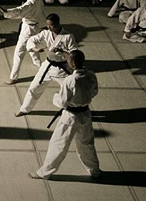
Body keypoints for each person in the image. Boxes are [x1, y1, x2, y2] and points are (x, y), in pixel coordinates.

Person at [28, 49, 102, 180]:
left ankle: (45, 172)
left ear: (73, 63)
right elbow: (94, 92)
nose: (67, 62)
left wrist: (55, 96)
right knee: (87, 144)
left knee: (58, 144)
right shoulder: (91, 75)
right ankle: (94, 170)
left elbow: (62, 101)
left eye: (69, 60)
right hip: (85, 114)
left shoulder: (70, 80)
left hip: (71, 116)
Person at [15, 12, 78, 116]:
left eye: (51, 25)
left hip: (62, 69)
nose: (49, 27)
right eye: (47, 25)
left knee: (71, 90)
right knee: (34, 88)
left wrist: (62, 52)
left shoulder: (68, 37)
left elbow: (74, 54)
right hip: (47, 66)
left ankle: (75, 110)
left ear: (58, 23)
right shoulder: (45, 33)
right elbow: (31, 40)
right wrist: (35, 48)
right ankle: (25, 109)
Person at [0, 0, 45, 85]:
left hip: (28, 29)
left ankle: (13, 77)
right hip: (36, 27)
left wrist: (7, 11)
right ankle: (39, 64)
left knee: (19, 52)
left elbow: (20, 10)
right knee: (32, 46)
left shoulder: (30, 3)